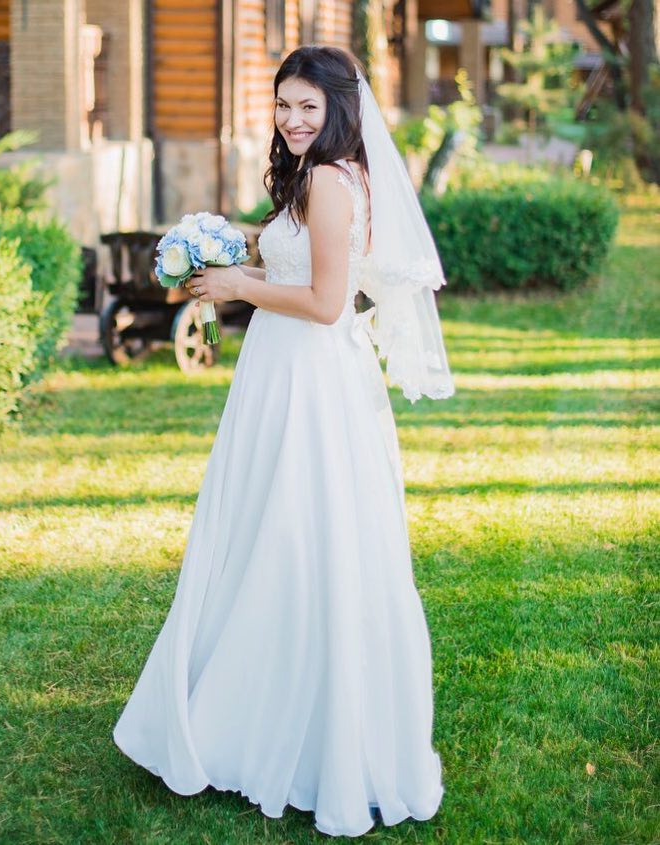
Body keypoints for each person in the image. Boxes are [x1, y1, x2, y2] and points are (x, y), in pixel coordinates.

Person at [112, 45, 454, 838]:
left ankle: (287, 726)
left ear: (340, 108)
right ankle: (253, 700)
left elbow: (329, 301)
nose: (294, 120)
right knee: (271, 534)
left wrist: (237, 286)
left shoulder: (332, 181)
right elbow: (296, 261)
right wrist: (230, 245)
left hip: (310, 384)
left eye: (308, 107)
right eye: (283, 105)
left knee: (298, 539)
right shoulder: (316, 178)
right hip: (285, 376)